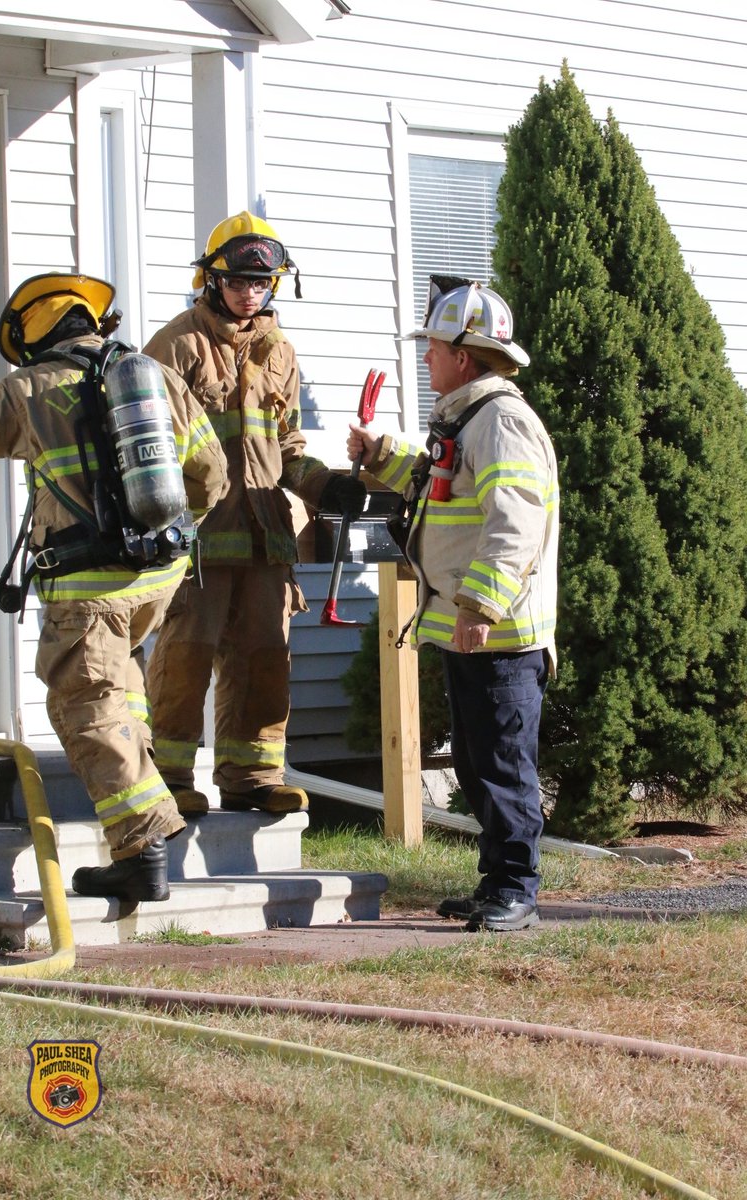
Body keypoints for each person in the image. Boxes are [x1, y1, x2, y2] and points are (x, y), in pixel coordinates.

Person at [0, 273, 227, 902]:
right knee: (123, 693)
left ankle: (142, 847)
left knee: (88, 705)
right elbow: (212, 476)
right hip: (157, 579)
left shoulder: (27, 389)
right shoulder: (155, 375)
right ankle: (142, 832)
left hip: (87, 587)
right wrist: (170, 538)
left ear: (33, 337)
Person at [347, 277, 559, 932]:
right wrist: (378, 456)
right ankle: (498, 884)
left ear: (464, 356)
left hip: (501, 640)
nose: (426, 357)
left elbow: (515, 522)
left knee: (501, 766)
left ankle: (516, 888)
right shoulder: (470, 416)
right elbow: (437, 482)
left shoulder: (502, 421)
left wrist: (479, 606)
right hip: (477, 638)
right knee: (477, 764)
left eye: (434, 348)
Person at [144, 211, 366, 817]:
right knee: (184, 658)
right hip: (196, 542)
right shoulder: (178, 344)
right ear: (211, 279)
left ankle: (252, 776)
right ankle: (168, 778)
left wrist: (326, 488)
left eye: (261, 284)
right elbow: (148, 444)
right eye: (238, 280)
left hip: (266, 540)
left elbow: (287, 446)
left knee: (265, 659)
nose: (249, 293)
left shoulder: (280, 352)